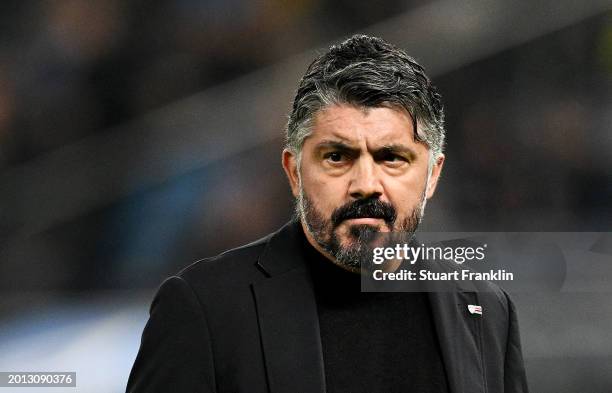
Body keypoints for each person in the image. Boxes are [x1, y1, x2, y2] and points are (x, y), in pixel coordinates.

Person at [126, 34, 529, 393]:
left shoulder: (485, 309)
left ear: (433, 175)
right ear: (294, 172)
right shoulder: (204, 308)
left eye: (392, 158)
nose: (366, 183)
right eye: (337, 156)